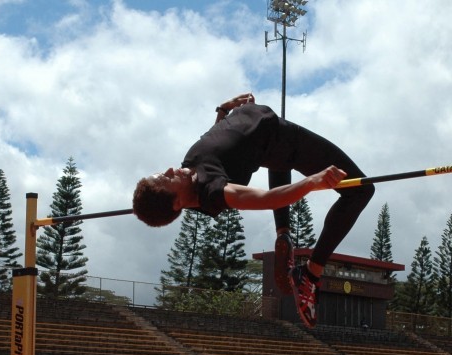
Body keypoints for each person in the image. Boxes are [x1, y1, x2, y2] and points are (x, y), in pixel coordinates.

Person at [132, 93, 375, 328]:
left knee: (276, 157)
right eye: (165, 178)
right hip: (283, 141)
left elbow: (220, 143)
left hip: (270, 144)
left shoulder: (189, 169)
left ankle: (284, 231)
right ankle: (311, 273)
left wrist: (224, 112)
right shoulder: (213, 191)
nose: (169, 170)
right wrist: (313, 181)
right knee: (362, 190)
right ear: (177, 203)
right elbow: (267, 198)